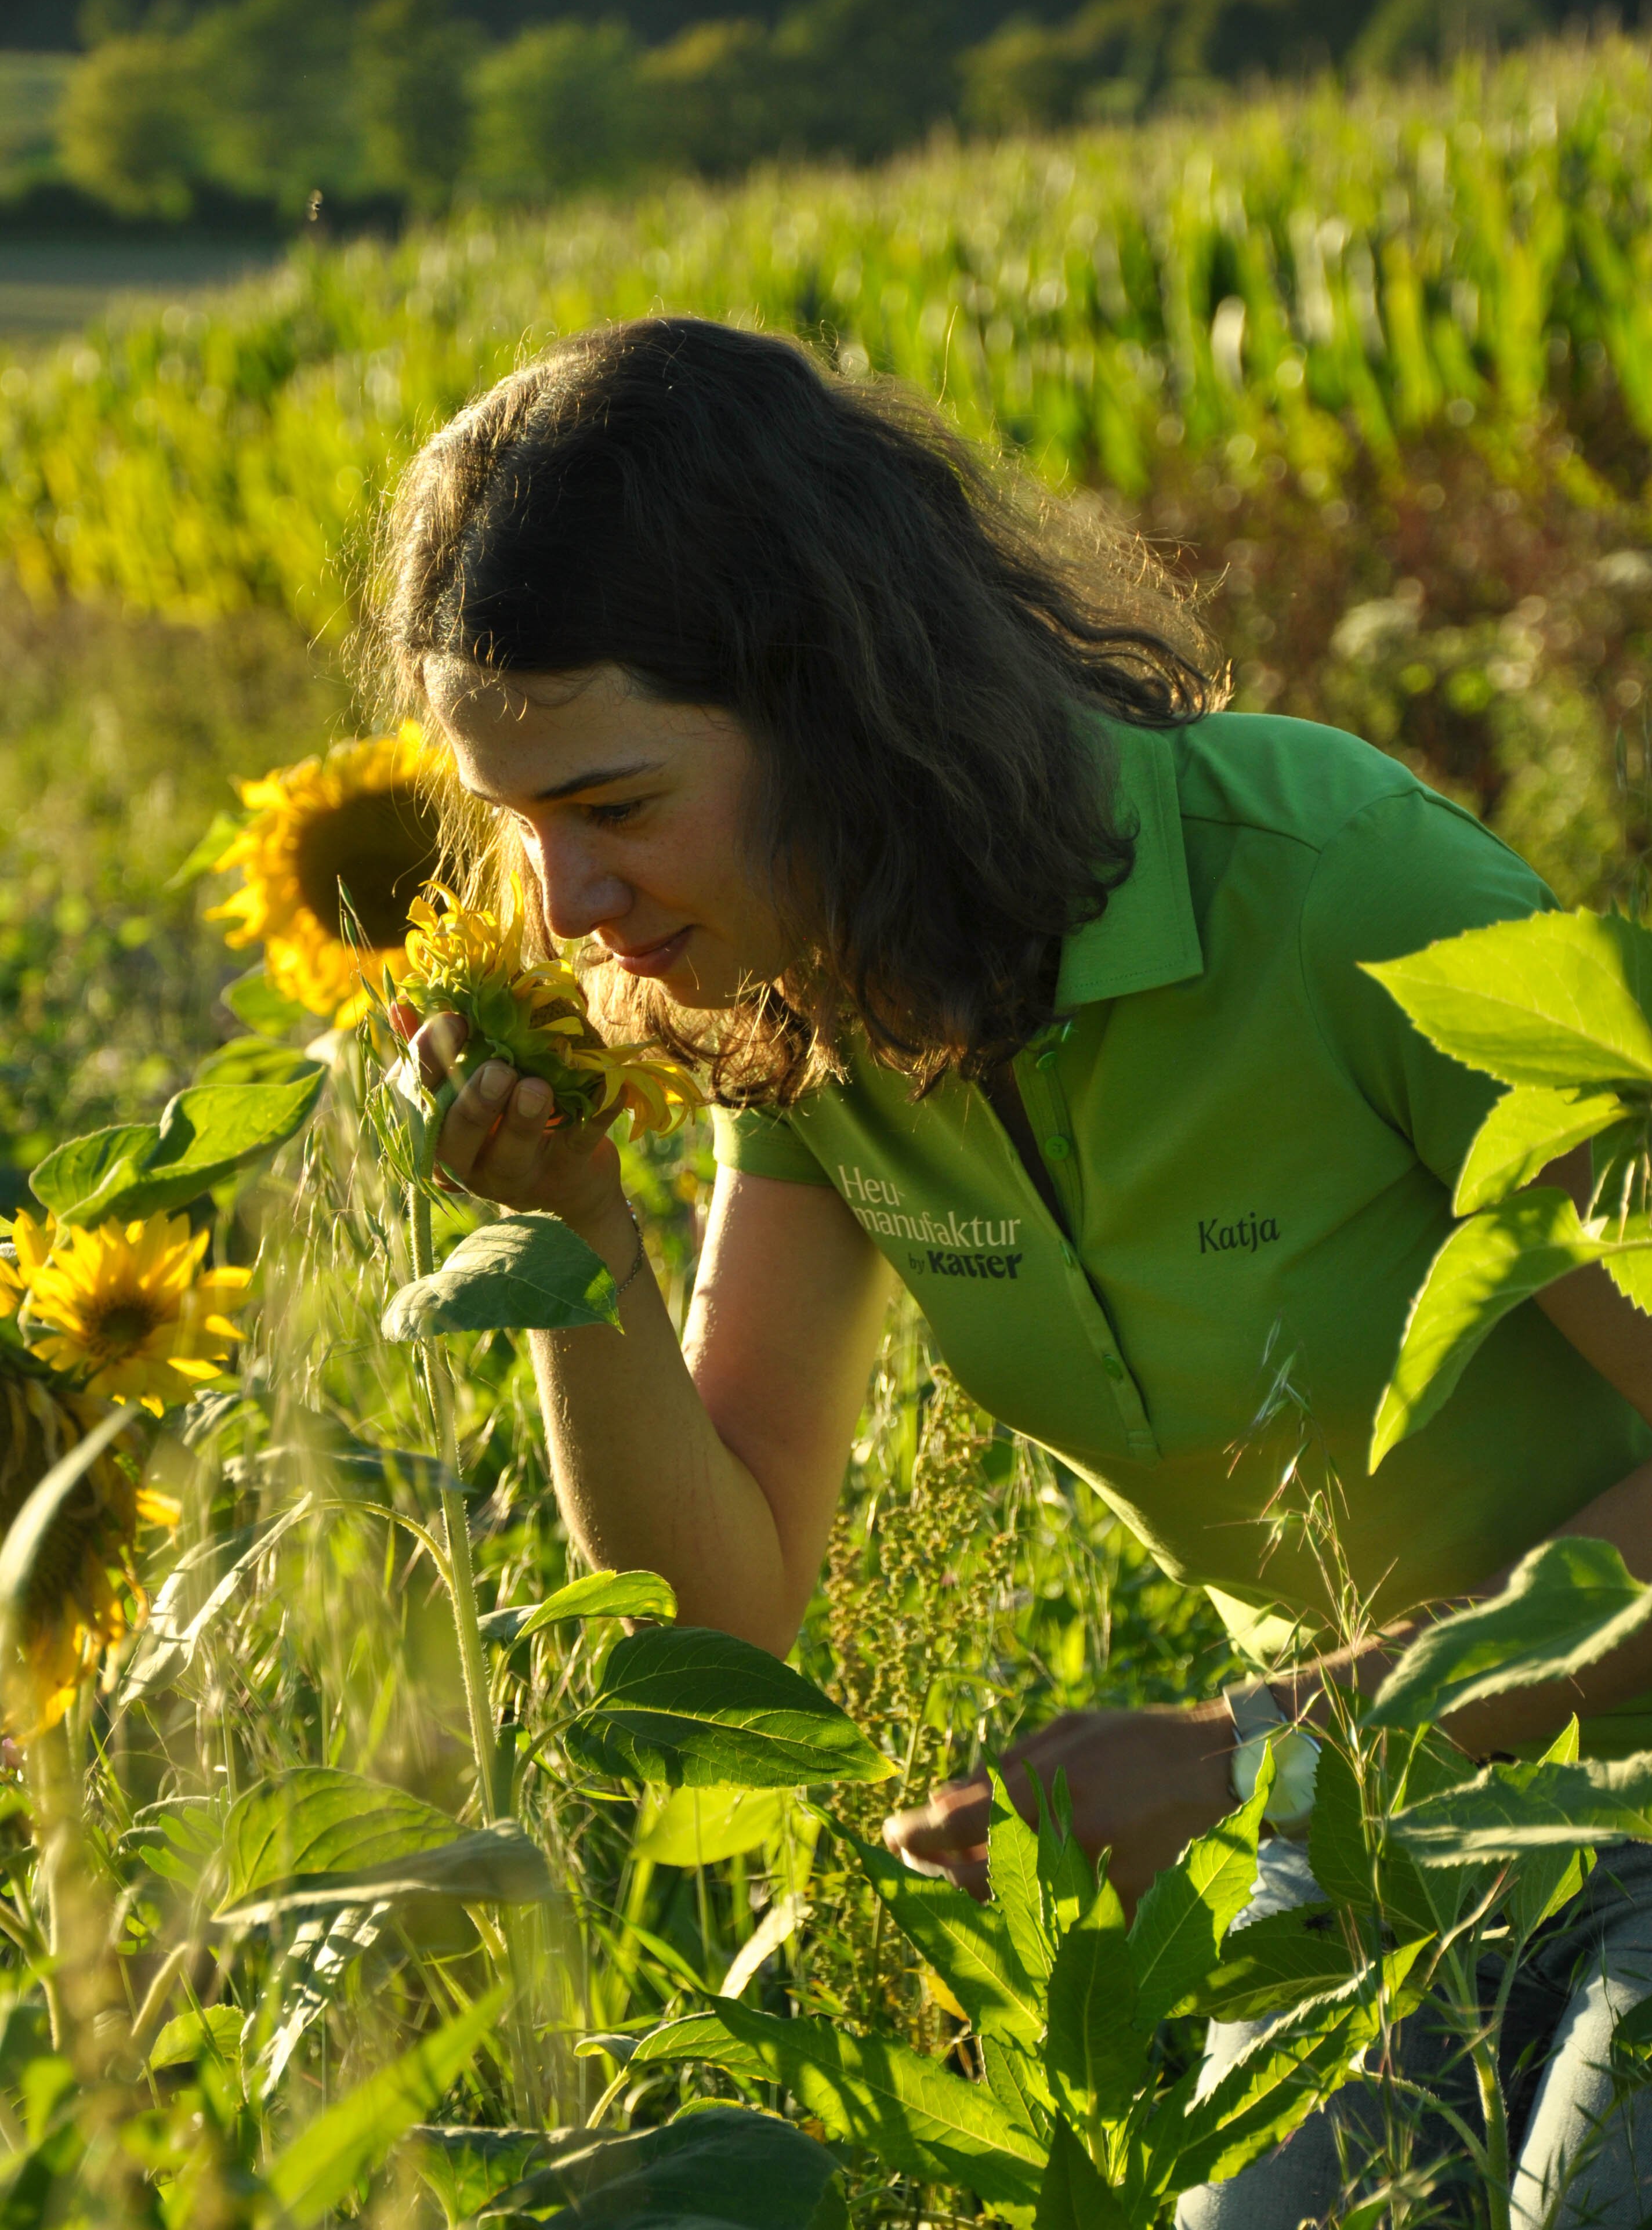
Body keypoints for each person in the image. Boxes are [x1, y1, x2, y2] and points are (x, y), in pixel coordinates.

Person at [374, 314, 1652, 2222]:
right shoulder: (807, 1006)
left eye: (618, 807)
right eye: (517, 820)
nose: (565, 906)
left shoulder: (1347, 895)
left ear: (834, 703)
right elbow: (719, 1621)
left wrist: (1247, 1758)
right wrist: (575, 1242)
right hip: (1378, 1823)